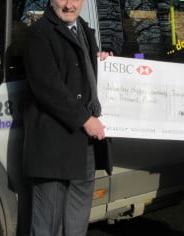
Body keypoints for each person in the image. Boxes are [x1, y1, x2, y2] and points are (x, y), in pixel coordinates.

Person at [23, 0, 113, 235]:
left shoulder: (84, 30)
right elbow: (48, 87)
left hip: (86, 144)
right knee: (46, 225)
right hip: (54, 146)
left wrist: (101, 62)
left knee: (77, 221)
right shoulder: (38, 34)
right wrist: (85, 119)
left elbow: (79, 73)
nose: (69, 4)